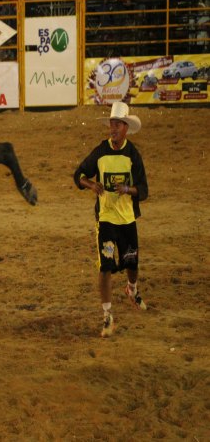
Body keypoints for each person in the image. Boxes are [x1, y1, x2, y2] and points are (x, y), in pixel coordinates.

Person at [74, 102, 149, 338]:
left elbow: (144, 190)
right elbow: (79, 175)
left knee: (132, 264)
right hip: (106, 219)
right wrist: (90, 184)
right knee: (105, 267)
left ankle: (132, 289)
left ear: (126, 128)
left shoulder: (132, 154)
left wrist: (128, 189)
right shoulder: (101, 151)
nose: (113, 128)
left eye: (117, 124)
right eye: (111, 124)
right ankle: (107, 316)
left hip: (127, 219)